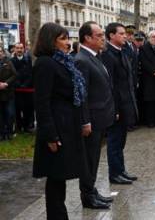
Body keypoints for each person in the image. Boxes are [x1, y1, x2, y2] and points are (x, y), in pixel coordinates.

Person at [32, 22, 87, 220]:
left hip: (67, 126)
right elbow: (42, 102)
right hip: (56, 128)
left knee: (60, 177)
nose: (68, 43)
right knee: (56, 177)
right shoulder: (45, 63)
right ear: (50, 41)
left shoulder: (63, 61)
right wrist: (50, 135)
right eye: (63, 39)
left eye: (68, 38)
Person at [75, 21, 115, 209]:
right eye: (99, 35)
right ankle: (87, 195)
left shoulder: (95, 57)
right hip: (91, 119)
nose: (103, 39)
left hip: (101, 117)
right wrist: (85, 121)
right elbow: (82, 96)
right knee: (89, 159)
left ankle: (91, 190)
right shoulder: (82, 60)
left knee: (94, 158)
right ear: (87, 38)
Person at [101, 23, 138, 185]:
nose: (125, 36)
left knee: (121, 140)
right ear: (111, 36)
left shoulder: (122, 51)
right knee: (114, 141)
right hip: (116, 106)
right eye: (121, 34)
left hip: (126, 103)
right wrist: (114, 108)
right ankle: (114, 173)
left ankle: (121, 170)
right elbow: (110, 85)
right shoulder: (107, 54)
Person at [10, 42, 34, 133]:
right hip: (16, 89)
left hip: (27, 89)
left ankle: (27, 126)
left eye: (21, 48)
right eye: (17, 48)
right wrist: (17, 84)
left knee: (27, 108)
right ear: (15, 49)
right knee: (17, 108)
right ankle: (19, 127)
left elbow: (30, 73)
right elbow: (12, 74)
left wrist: (26, 84)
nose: (19, 50)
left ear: (24, 49)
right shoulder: (11, 61)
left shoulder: (28, 60)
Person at [0, 46, 16, 141]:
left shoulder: (8, 61)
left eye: (0, 51)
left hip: (8, 93)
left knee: (10, 113)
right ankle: (2, 133)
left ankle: (10, 131)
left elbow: (15, 74)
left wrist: (6, 83)